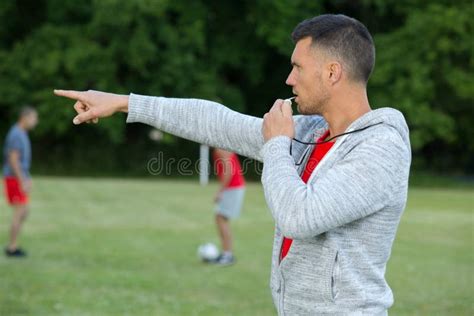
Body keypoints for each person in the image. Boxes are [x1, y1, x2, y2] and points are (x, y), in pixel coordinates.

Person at [54, 14, 411, 315]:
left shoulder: (380, 148)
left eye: (298, 67)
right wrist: (124, 103)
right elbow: (217, 121)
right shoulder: (311, 132)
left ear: (332, 73)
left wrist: (276, 145)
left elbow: (299, 217)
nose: (289, 79)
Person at [3, 106, 38, 257]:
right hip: (14, 178)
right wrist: (22, 180)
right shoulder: (16, 134)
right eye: (33, 118)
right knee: (20, 212)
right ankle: (12, 248)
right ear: (25, 117)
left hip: (18, 177)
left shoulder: (21, 133)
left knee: (24, 211)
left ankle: (13, 244)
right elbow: (13, 160)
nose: (35, 121)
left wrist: (26, 177)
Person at [209, 148, 245, 266]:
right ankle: (226, 253)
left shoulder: (221, 149)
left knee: (221, 218)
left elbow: (228, 171)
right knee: (221, 218)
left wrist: (220, 191)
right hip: (233, 187)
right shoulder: (222, 146)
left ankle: (227, 255)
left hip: (232, 188)